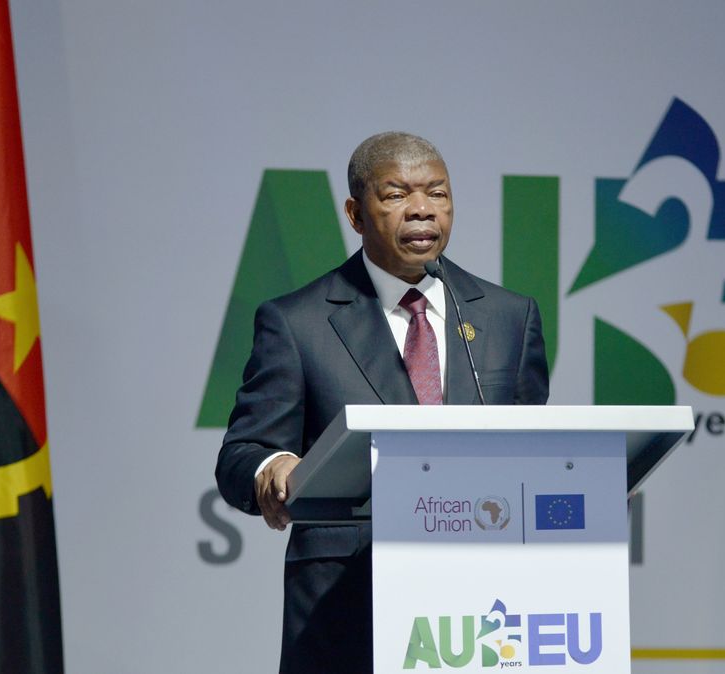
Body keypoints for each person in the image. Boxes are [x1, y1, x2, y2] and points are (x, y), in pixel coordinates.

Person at [216, 131, 549, 673]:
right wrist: (272, 465)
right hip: (348, 613)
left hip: (482, 613)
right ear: (355, 212)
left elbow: (533, 449)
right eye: (396, 195)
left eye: (437, 194)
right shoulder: (298, 322)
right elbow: (240, 454)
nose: (421, 210)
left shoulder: (509, 316)